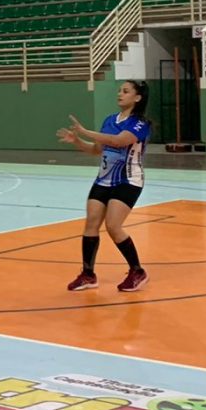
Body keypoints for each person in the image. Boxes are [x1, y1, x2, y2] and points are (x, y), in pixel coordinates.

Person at [56, 79, 152, 295]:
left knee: (113, 226)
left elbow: (118, 141)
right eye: (119, 90)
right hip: (103, 179)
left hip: (128, 180)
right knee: (91, 223)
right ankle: (88, 274)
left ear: (137, 98)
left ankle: (138, 271)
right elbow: (97, 149)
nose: (120, 94)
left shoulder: (140, 123)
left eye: (126, 91)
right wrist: (77, 141)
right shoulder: (110, 120)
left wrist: (84, 131)